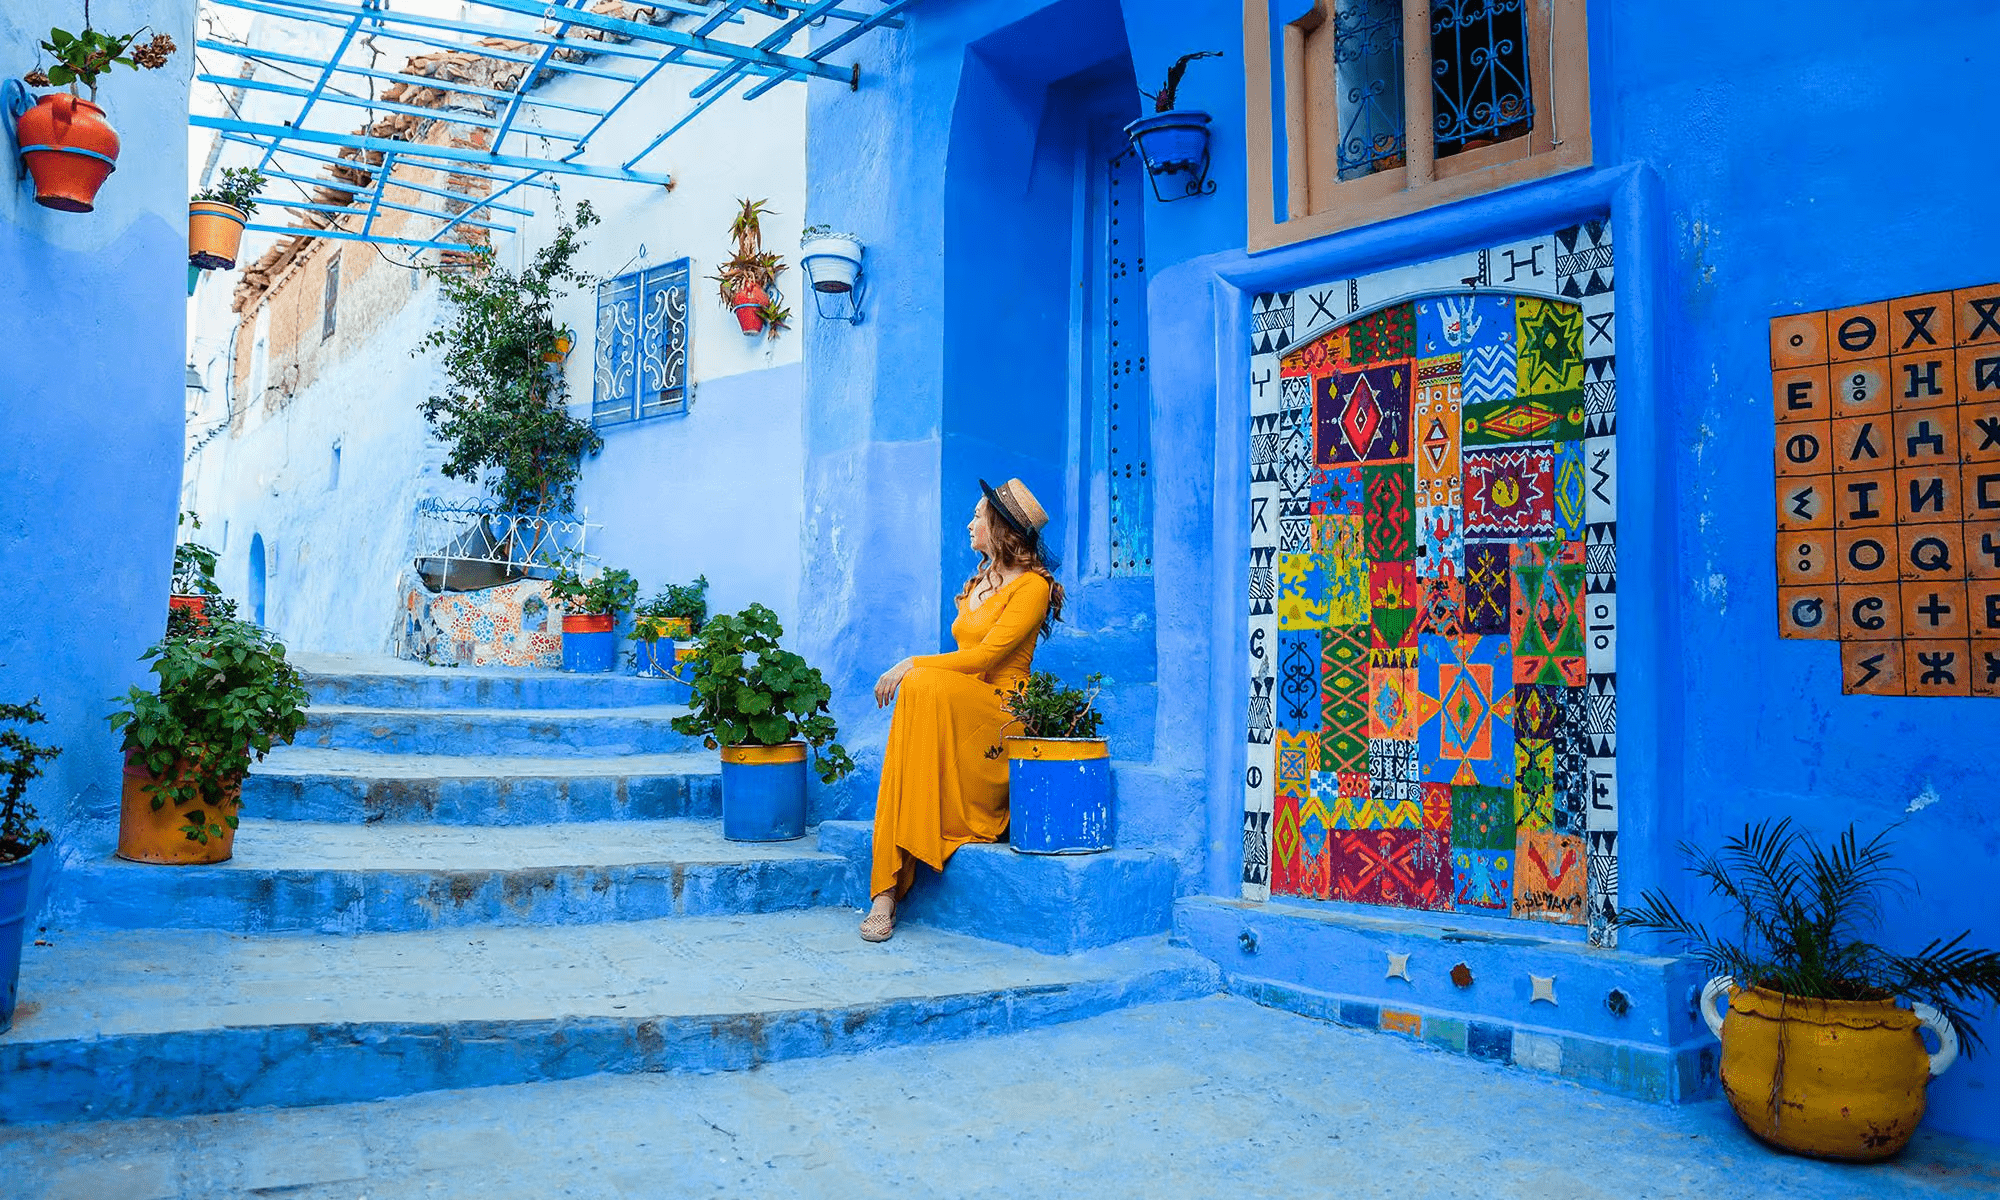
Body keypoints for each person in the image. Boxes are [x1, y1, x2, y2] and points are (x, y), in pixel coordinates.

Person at [861, 478, 1064, 942]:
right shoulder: (978, 582)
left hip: (1001, 711)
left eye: (978, 516)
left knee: (919, 683)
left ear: (1000, 527)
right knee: (919, 697)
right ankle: (884, 892)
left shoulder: (1032, 587)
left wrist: (911, 663)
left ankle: (889, 889)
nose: (970, 524)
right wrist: (918, 672)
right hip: (961, 705)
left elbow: (986, 657)